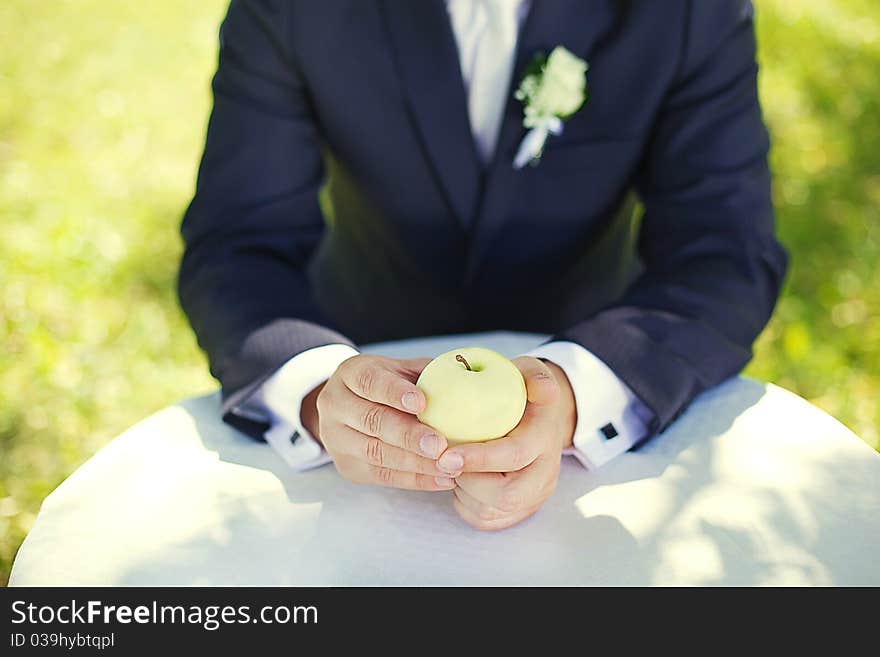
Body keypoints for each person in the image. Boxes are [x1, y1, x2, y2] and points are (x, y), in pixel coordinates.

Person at [179, 0, 787, 530]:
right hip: (359, 400)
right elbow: (237, 243)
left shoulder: (688, 10)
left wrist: (577, 390)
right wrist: (316, 390)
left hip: (589, 431)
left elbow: (724, 251)